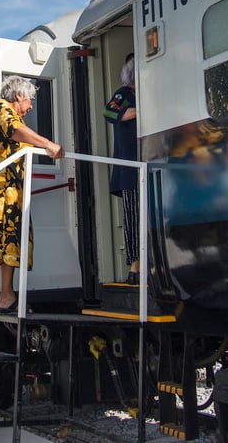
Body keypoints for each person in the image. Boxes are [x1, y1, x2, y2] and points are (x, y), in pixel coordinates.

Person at [0, 75, 65, 313]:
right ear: (19, 96)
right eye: (31, 101)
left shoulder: (16, 117)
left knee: (13, 239)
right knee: (10, 239)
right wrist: (48, 144)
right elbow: (15, 131)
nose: (31, 107)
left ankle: (6, 296)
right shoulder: (1, 108)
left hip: (11, 189)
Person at [103, 54, 140, 285]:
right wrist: (140, 110)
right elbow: (110, 112)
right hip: (129, 167)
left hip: (146, 163)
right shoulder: (125, 92)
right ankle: (135, 268)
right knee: (133, 217)